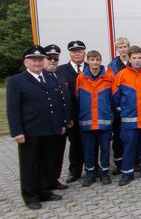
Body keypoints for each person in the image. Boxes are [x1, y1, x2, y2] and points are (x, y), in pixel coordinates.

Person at [7, 46, 68, 210]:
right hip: (30, 131)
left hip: (51, 129)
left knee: (47, 163)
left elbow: (57, 103)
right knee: (29, 165)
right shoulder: (17, 81)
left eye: (40, 59)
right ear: (26, 61)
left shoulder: (49, 77)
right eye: (34, 60)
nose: (37, 62)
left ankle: (44, 191)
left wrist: (61, 123)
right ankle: (30, 196)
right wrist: (17, 131)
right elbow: (13, 108)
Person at [112, 46, 141, 186]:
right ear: (129, 58)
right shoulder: (122, 74)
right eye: (134, 58)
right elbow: (115, 96)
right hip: (129, 120)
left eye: (139, 58)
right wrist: (123, 110)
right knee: (129, 147)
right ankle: (127, 173)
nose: (137, 61)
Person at [75, 50, 115, 186]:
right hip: (87, 121)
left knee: (105, 149)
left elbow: (113, 98)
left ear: (101, 60)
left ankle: (104, 173)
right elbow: (77, 98)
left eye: (97, 60)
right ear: (88, 61)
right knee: (89, 149)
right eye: (92, 60)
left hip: (104, 121)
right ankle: (90, 173)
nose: (95, 62)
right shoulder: (81, 78)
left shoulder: (109, 76)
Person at [57, 40, 87, 184]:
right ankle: (75, 171)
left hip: (89, 113)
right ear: (69, 53)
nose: (77, 53)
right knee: (75, 143)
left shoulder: (92, 67)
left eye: (80, 51)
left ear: (84, 52)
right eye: (74, 51)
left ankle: (91, 168)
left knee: (91, 142)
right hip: (73, 115)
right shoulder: (61, 70)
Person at [43, 44, 70, 190]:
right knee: (48, 155)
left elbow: (65, 99)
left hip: (61, 123)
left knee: (58, 153)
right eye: (49, 58)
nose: (53, 61)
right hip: (48, 124)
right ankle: (46, 183)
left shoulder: (59, 74)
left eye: (55, 58)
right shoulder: (42, 76)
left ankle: (54, 179)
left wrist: (68, 118)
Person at [107, 37, 129, 174]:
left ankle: (134, 161)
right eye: (120, 47)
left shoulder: (135, 63)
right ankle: (119, 163)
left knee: (132, 136)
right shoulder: (112, 66)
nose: (123, 49)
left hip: (132, 108)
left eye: (125, 46)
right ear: (117, 49)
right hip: (118, 107)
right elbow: (111, 88)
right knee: (118, 137)